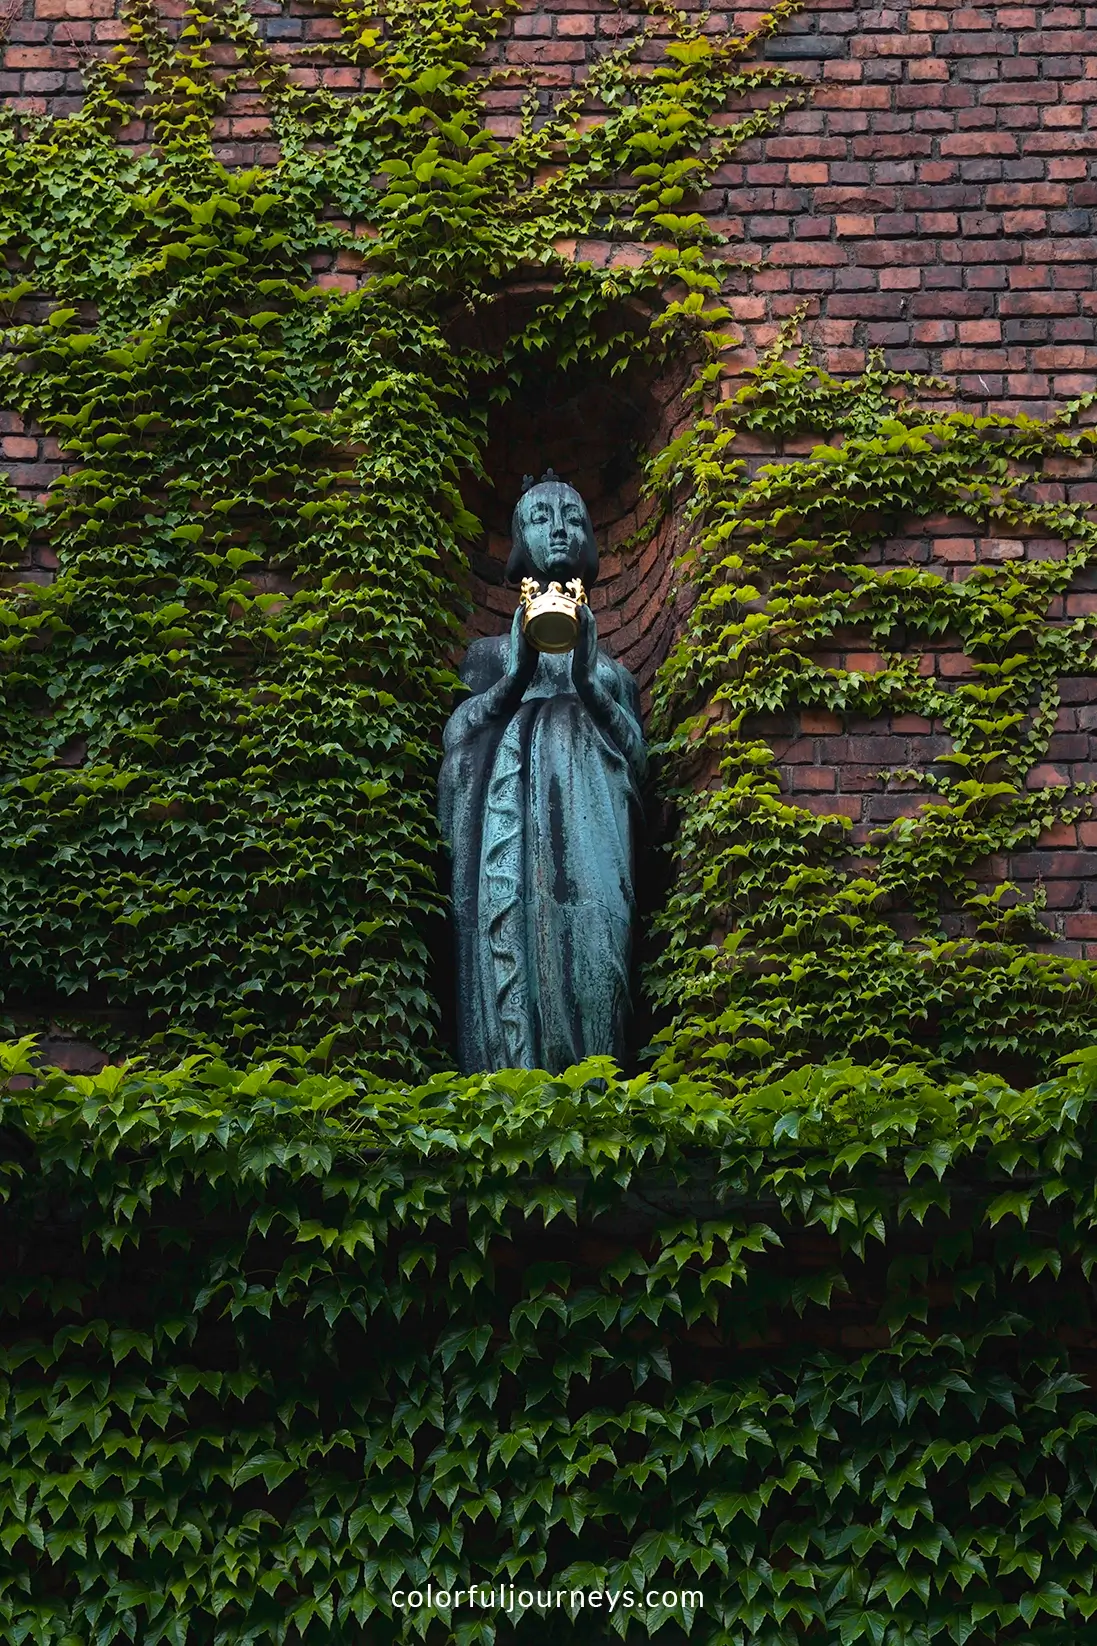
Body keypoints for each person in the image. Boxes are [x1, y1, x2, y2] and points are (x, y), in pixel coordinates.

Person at [438, 471, 646, 1074]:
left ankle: (595, 1072)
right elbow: (459, 745)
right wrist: (516, 679)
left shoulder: (611, 674)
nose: (559, 529)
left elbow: (637, 764)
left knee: (597, 958)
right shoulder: (488, 656)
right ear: (516, 545)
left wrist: (585, 683)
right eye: (540, 517)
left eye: (573, 518)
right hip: (508, 839)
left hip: (591, 842)